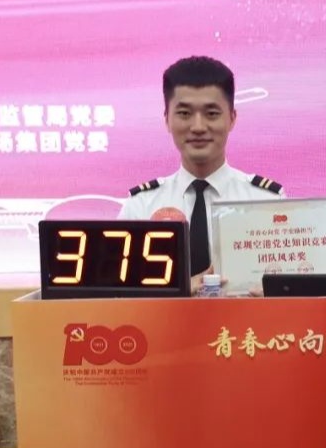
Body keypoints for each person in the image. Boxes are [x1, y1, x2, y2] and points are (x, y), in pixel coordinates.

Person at [118, 56, 284, 285]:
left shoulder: (267, 202)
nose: (198, 127)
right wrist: (181, 294)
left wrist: (273, 294)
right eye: (184, 114)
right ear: (167, 119)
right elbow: (123, 295)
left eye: (212, 114)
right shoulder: (140, 207)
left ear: (232, 118)